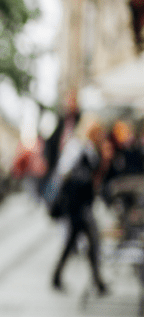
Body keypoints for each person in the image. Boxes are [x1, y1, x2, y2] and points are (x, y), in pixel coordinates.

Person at [52, 119, 109, 294]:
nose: (100, 136)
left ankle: (59, 277)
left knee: (77, 241)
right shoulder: (77, 146)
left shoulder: (91, 149)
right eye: (97, 131)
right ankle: (97, 281)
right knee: (91, 240)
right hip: (77, 204)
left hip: (84, 203)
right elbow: (63, 172)